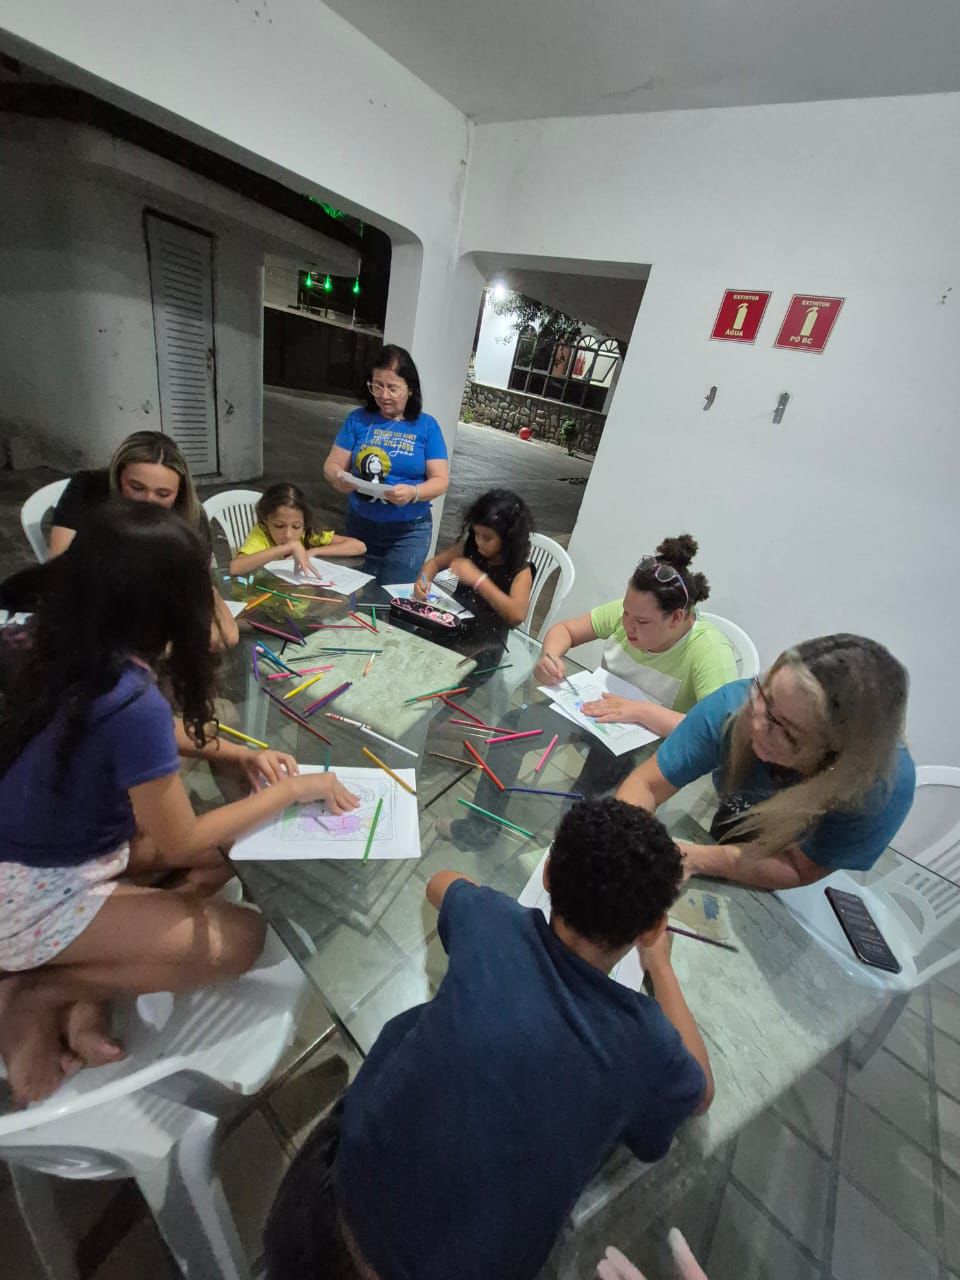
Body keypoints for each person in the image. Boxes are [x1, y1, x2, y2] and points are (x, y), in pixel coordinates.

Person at [0, 502, 359, 1106]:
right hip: (31, 895)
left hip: (46, 858)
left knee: (228, 854)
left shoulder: (65, 642)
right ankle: (39, 990)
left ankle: (93, 973)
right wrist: (294, 790)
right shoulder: (132, 699)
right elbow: (181, 840)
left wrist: (235, 751)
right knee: (242, 938)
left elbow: (148, 737)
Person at [264, 799, 713, 1280]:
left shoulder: (493, 921)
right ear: (653, 928)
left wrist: (493, 907)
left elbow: (441, 883)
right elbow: (701, 1092)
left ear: (547, 876)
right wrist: (661, 967)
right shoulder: (645, 1043)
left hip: (311, 1215)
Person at [616, 634, 915, 890]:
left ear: (833, 756)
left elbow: (798, 867)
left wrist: (693, 858)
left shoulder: (879, 786)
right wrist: (630, 845)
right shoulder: (734, 707)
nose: (758, 724)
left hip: (794, 870)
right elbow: (647, 784)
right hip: (734, 824)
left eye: (787, 731)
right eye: (766, 696)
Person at [47, 429, 239, 649]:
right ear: (118, 477)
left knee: (224, 635)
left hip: (159, 608)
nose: (148, 501)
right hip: (95, 607)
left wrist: (215, 612)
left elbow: (197, 582)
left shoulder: (191, 517)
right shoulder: (89, 490)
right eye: (137, 488)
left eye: (163, 494)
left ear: (179, 492)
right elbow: (61, 571)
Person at [536, 535, 737, 737]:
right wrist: (549, 658)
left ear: (676, 618)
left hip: (660, 746)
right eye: (626, 612)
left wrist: (641, 712)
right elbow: (565, 630)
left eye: (642, 622)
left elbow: (717, 728)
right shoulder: (631, 614)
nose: (628, 625)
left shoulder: (709, 650)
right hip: (603, 728)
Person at [322, 345, 450, 583]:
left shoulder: (426, 426)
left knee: (392, 597)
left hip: (408, 531)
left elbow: (440, 481)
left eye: (392, 388)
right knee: (353, 590)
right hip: (360, 525)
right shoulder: (358, 419)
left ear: (410, 389)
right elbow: (331, 465)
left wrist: (413, 492)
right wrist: (338, 478)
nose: (383, 395)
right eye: (377, 386)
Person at [415, 487, 535, 640]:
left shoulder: (520, 570)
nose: (479, 541)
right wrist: (423, 582)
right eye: (476, 533)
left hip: (487, 639)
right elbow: (435, 563)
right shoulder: (470, 549)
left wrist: (478, 580)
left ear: (508, 538)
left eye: (487, 538)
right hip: (453, 625)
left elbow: (516, 616)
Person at [228, 482, 366, 577]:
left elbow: (359, 546)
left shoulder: (308, 533)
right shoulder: (262, 534)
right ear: (265, 520)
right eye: (279, 526)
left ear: (304, 522)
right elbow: (235, 568)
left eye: (296, 526)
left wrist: (314, 551)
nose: (288, 534)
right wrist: (289, 547)